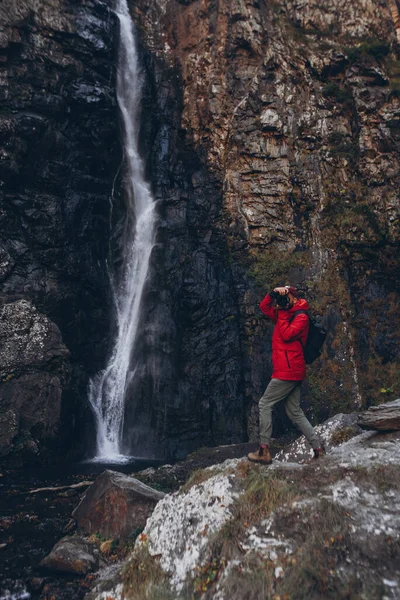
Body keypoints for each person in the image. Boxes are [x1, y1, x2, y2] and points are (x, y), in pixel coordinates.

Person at [247, 285, 325, 464]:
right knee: (294, 411)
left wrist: (282, 312)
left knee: (265, 403)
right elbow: (264, 308)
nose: (283, 301)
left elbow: (287, 334)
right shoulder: (286, 314)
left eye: (286, 297)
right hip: (290, 369)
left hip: (288, 371)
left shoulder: (301, 316)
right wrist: (273, 294)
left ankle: (264, 450)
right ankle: (318, 449)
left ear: (295, 299)